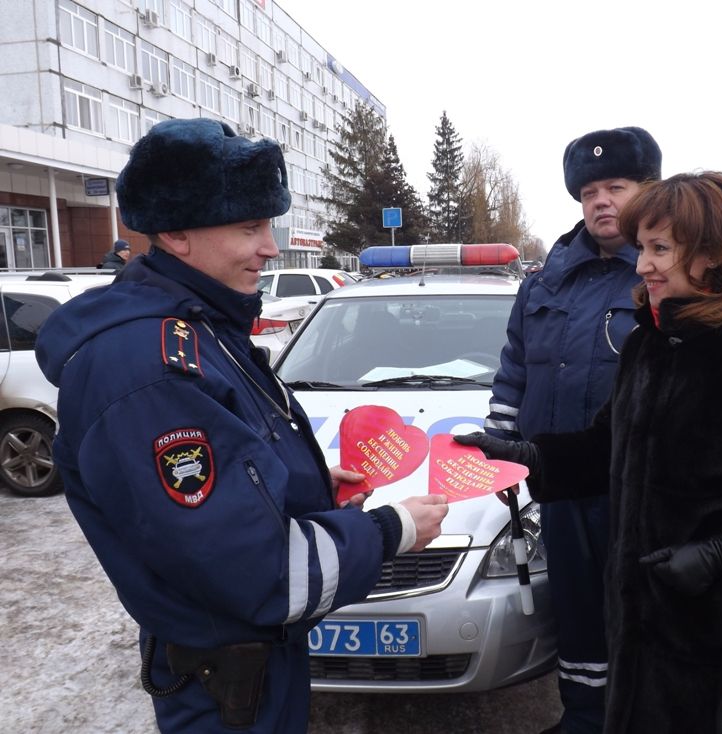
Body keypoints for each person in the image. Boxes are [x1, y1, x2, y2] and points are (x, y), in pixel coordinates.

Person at [35, 118, 448, 734]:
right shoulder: (151, 370)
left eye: (269, 225)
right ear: (175, 232)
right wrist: (392, 530)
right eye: (249, 227)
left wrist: (304, 484)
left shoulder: (202, 328)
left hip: (251, 671)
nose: (271, 247)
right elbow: (258, 577)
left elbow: (236, 466)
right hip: (224, 689)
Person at [457, 172, 722, 733]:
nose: (642, 263)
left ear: (714, 256)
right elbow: (607, 447)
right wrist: (525, 456)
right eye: (643, 247)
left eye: (659, 249)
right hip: (636, 618)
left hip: (714, 630)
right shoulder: (648, 345)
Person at [482, 126, 661, 734]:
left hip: (640, 487)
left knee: (642, 609)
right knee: (578, 609)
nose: (602, 201)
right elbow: (514, 367)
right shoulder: (546, 280)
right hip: (557, 484)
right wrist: (500, 448)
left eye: (616, 186)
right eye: (589, 191)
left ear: (648, 190)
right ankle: (585, 718)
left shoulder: (663, 274)